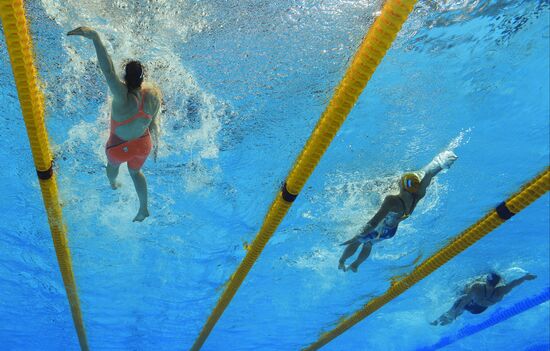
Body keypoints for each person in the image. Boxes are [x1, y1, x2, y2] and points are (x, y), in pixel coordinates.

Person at [67, 27, 162, 222]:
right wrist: (156, 145)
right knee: (136, 173)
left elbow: (108, 70)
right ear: (144, 78)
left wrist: (94, 37)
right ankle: (143, 208)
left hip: (120, 147)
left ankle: (113, 184)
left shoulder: (122, 96)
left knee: (111, 167)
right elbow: (154, 124)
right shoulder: (154, 95)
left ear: (125, 78)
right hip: (144, 144)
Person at [338, 150, 458, 272]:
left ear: (401, 185)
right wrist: (442, 164)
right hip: (389, 232)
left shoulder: (392, 201)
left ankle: (342, 261)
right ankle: (356, 264)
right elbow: (429, 175)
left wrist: (357, 236)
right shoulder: (418, 195)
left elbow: (374, 222)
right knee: (369, 245)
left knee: (358, 242)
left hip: (379, 228)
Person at [431, 272, 537, 326]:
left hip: (472, 303)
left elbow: (465, 301)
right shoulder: (501, 291)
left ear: (486, 281)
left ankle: (439, 321)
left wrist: (455, 313)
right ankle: (447, 322)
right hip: (479, 310)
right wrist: (525, 277)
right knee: (462, 307)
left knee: (460, 301)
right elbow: (514, 284)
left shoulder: (477, 286)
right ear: (497, 284)